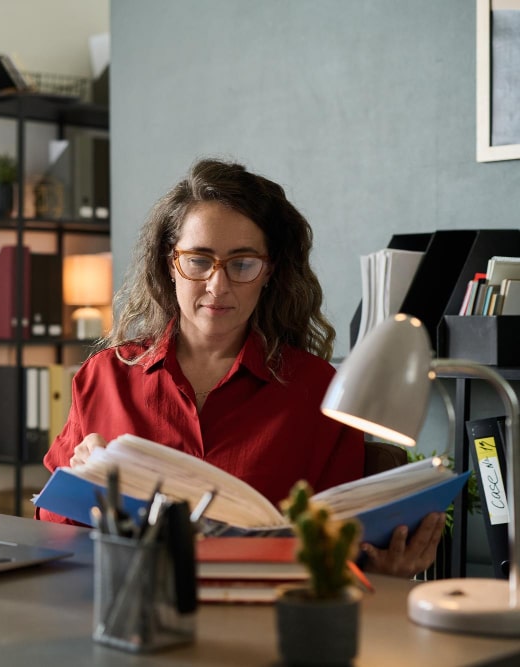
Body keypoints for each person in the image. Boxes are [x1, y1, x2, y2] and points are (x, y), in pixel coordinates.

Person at [36, 158, 443, 578]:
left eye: (242, 264)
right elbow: (52, 527)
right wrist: (84, 479)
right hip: (131, 608)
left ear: (270, 272)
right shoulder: (106, 375)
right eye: (198, 261)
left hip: (266, 620)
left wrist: (386, 570)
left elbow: (341, 550)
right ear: (169, 263)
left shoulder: (318, 389)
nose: (218, 285)